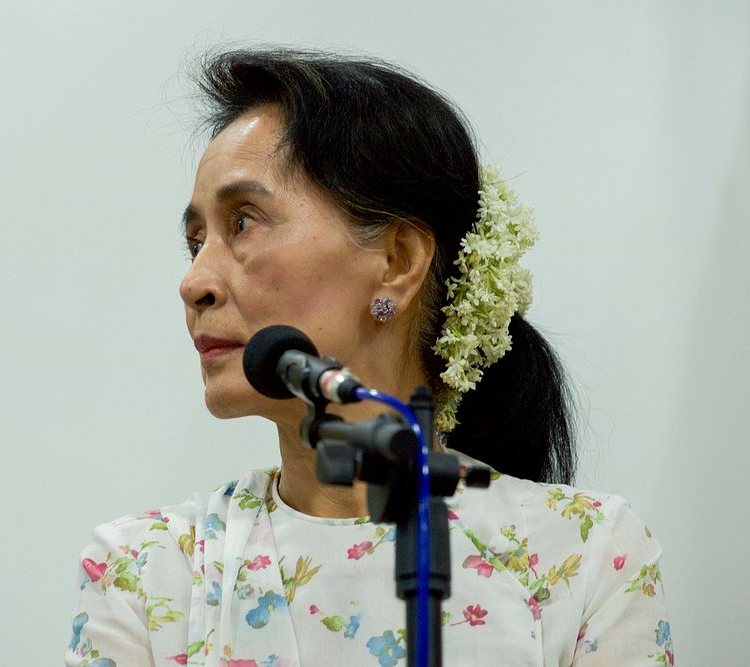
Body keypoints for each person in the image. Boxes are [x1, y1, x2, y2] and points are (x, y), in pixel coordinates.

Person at [66, 48, 672, 667]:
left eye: (243, 222)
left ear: (397, 261)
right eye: (196, 242)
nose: (194, 282)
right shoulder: (146, 571)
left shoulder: (585, 554)